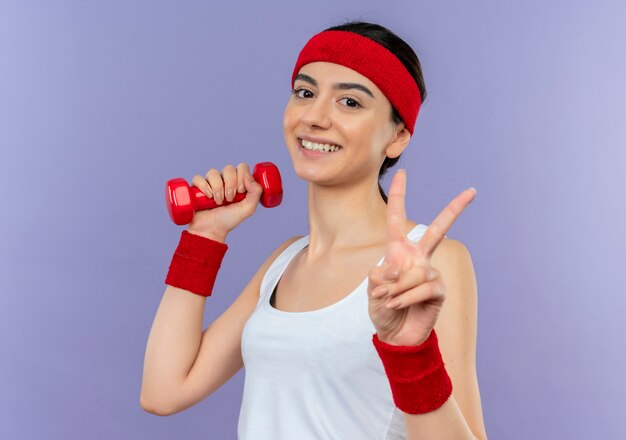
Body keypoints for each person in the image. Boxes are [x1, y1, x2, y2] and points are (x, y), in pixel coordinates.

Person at [141, 20, 488, 440]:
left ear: (397, 137)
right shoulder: (286, 261)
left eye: (350, 102)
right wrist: (205, 236)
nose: (314, 116)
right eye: (305, 93)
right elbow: (163, 391)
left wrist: (410, 353)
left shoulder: (433, 261)